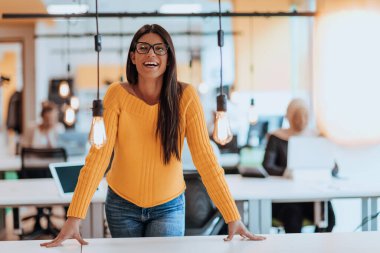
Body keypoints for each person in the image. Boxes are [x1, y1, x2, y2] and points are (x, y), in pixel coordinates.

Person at [41, 24, 265, 247]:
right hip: (121, 205)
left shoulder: (186, 97)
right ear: (133, 57)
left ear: (169, 57)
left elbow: (206, 160)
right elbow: (97, 158)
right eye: (143, 48)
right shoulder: (116, 95)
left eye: (159, 48)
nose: (151, 54)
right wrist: (74, 216)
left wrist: (232, 216)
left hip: (169, 206)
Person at [262, 98, 335, 233]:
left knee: (329, 216)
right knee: (293, 219)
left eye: (305, 116)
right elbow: (267, 166)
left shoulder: (317, 137)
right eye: (296, 116)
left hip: (312, 197)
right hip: (286, 199)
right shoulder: (276, 137)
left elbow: (334, 168)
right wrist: (288, 173)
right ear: (289, 116)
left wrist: (326, 152)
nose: (301, 120)